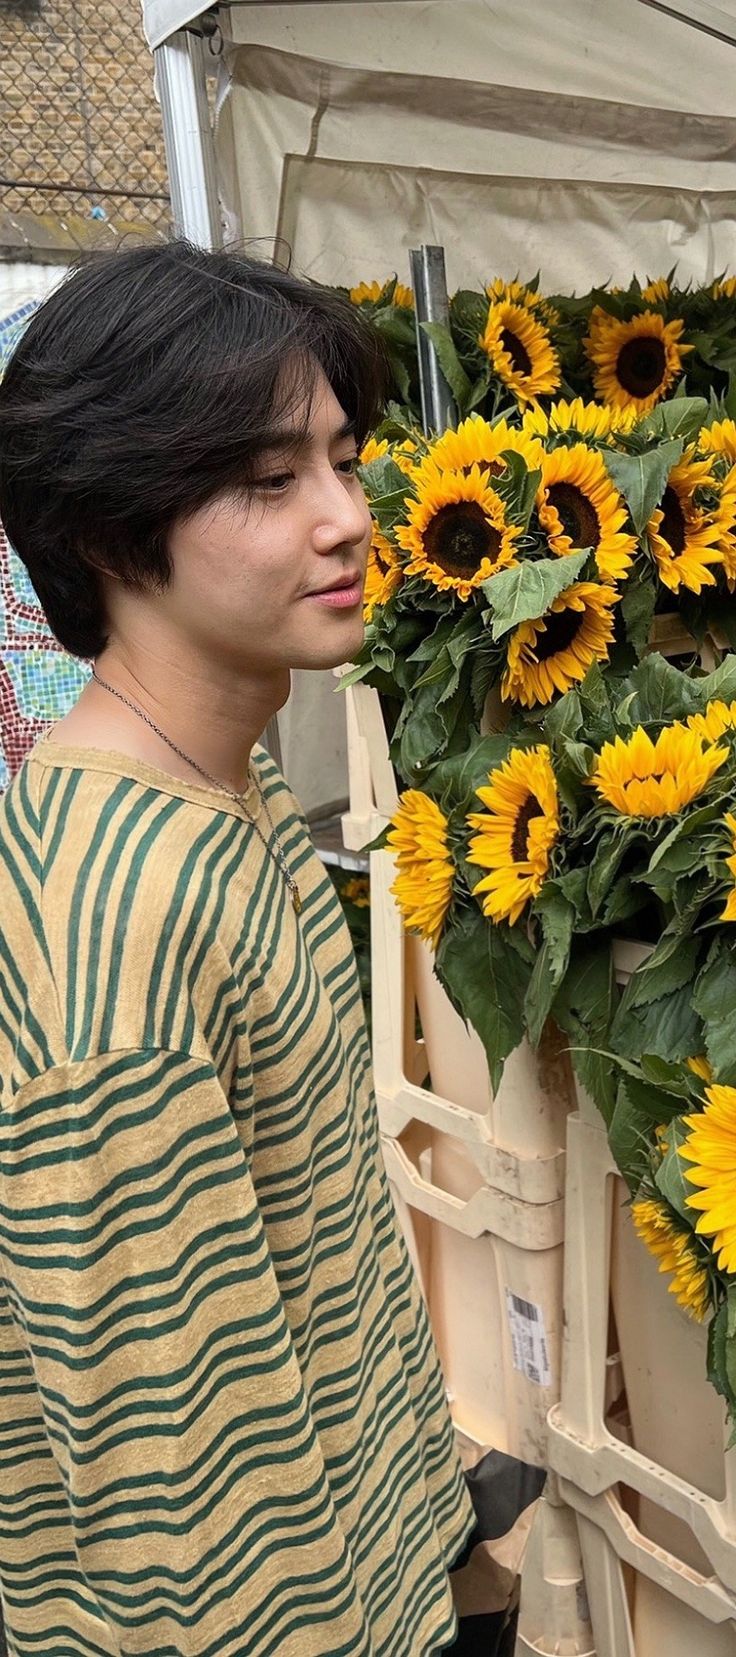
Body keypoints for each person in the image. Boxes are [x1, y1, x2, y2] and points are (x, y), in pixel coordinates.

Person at [0, 242, 474, 1657]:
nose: (347, 518)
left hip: (373, 1568)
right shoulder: (116, 929)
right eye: (270, 482)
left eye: (344, 457)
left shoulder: (228, 781)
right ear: (104, 529)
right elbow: (174, 1497)